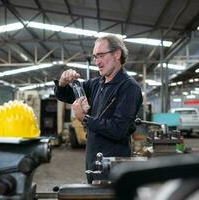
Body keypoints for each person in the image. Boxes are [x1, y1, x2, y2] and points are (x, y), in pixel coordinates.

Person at [54, 35, 142, 183]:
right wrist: (62, 83)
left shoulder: (129, 87)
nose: (97, 62)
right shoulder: (96, 84)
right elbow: (67, 95)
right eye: (95, 57)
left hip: (113, 165)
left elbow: (118, 128)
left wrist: (85, 118)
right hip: (93, 160)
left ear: (117, 54)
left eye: (101, 55)